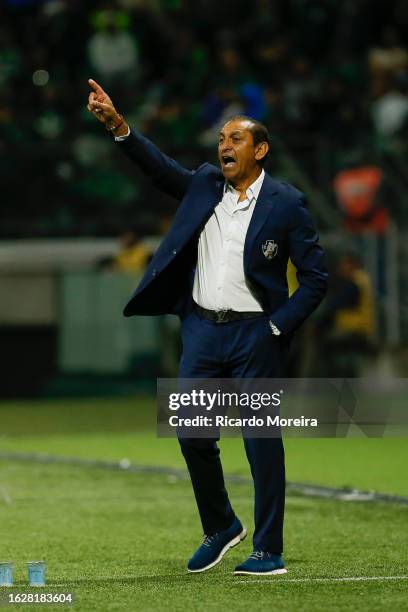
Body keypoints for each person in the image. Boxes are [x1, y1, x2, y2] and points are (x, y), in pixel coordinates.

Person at [87, 78, 328, 576]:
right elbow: (159, 170)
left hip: (255, 334)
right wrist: (120, 128)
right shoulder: (204, 184)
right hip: (201, 329)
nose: (224, 146)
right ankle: (221, 526)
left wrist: (278, 328)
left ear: (260, 150)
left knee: (261, 439)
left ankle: (268, 549)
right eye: (221, 139)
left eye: (235, 139)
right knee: (192, 432)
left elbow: (315, 279)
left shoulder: (287, 203)